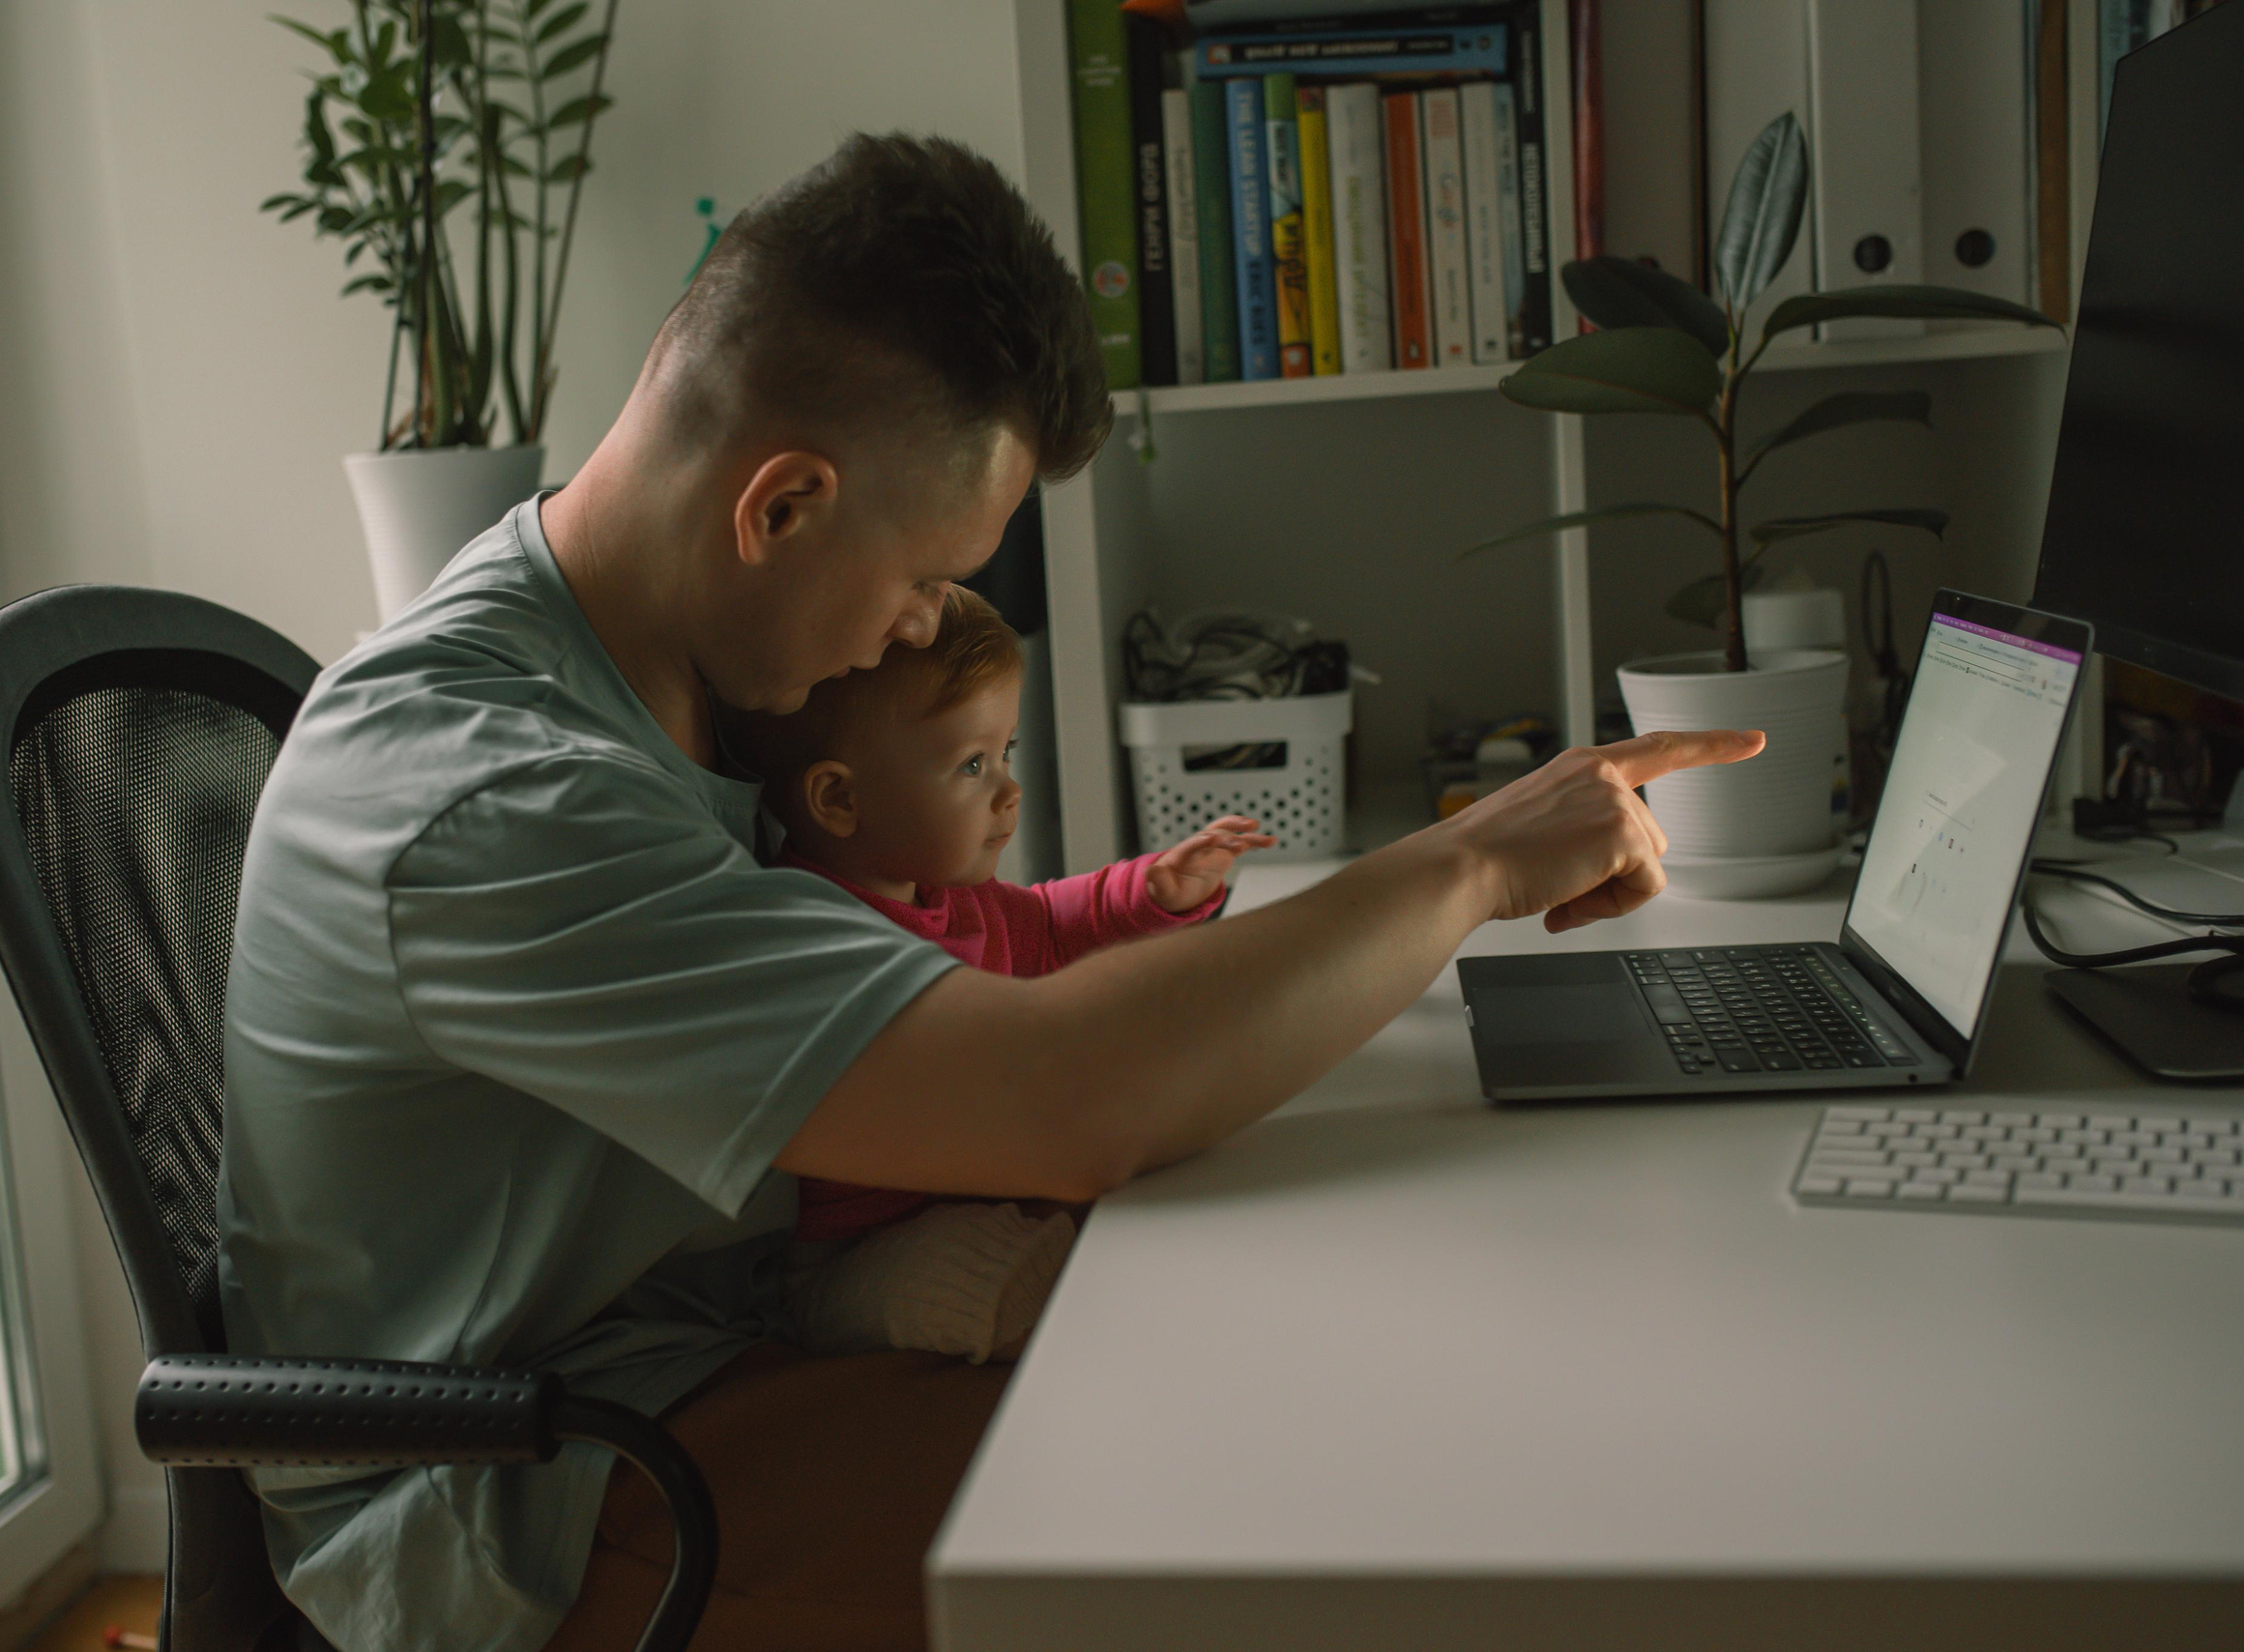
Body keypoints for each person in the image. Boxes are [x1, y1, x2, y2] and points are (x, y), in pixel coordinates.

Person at [219, 130, 1761, 1652]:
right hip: (526, 1501)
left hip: (705, 1344)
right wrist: (1474, 857)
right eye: (918, 583)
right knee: (1287, 1531)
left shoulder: (653, 658)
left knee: (1321, 1365)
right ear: (782, 506)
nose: (911, 638)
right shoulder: (493, 790)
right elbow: (1063, 1095)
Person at [727, 585, 1273, 1364]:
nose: (1009, 792)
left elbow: (1049, 923)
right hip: (856, 1254)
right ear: (841, 798)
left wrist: (1151, 888)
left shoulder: (959, 898)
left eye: (1006, 753)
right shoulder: (812, 936)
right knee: (985, 1281)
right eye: (973, 764)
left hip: (976, 1189)